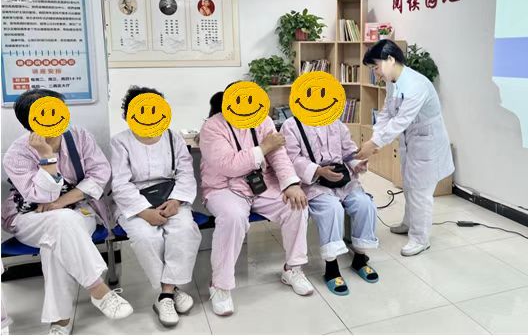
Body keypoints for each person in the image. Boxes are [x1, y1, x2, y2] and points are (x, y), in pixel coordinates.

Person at [1, 89, 133, 335]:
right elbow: (41, 197)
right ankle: (98, 290)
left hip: (77, 211)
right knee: (59, 223)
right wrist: (47, 157)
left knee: (54, 241)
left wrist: (63, 202)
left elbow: (100, 173)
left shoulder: (80, 137)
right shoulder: (16, 154)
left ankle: (61, 320)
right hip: (29, 218)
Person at [199, 86, 313, 317]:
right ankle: (220, 285)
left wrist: (290, 184)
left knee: (296, 205)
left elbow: (278, 155)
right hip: (224, 187)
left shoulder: (263, 120)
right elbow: (229, 165)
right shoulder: (212, 126)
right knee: (232, 217)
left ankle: (292, 268)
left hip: (261, 182)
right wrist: (264, 147)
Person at [110, 86, 201, 327]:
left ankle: (166, 294)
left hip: (170, 197)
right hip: (134, 202)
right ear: (127, 115)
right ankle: (170, 292)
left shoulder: (173, 138)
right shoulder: (120, 142)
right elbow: (120, 183)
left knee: (185, 230)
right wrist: (144, 212)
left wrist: (177, 201)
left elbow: (185, 173)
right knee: (146, 237)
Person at [356, 40, 455, 257]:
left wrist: (374, 144)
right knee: (410, 184)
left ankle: (420, 238)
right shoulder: (393, 82)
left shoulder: (416, 85)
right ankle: (409, 223)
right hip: (411, 140)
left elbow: (401, 120)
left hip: (427, 142)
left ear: (390, 60)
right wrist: (374, 138)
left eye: (375, 67)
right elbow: (386, 114)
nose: (375, 73)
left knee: (420, 191)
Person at [281, 117, 379, 295]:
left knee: (365, 204)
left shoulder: (335, 122)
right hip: (314, 184)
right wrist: (318, 171)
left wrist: (357, 164)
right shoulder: (291, 125)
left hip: (343, 181)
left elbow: (348, 151)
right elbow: (291, 159)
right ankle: (331, 267)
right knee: (332, 209)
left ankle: (360, 257)